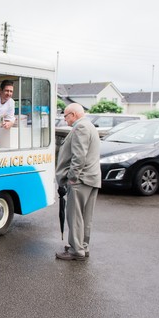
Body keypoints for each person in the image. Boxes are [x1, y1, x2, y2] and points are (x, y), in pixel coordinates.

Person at [54, 103, 101, 261]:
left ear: (73, 114)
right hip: (92, 178)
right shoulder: (90, 126)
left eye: (65, 116)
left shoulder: (80, 127)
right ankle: (83, 246)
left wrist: (72, 178)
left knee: (75, 216)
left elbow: (79, 156)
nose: (65, 120)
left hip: (80, 180)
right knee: (86, 216)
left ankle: (76, 249)